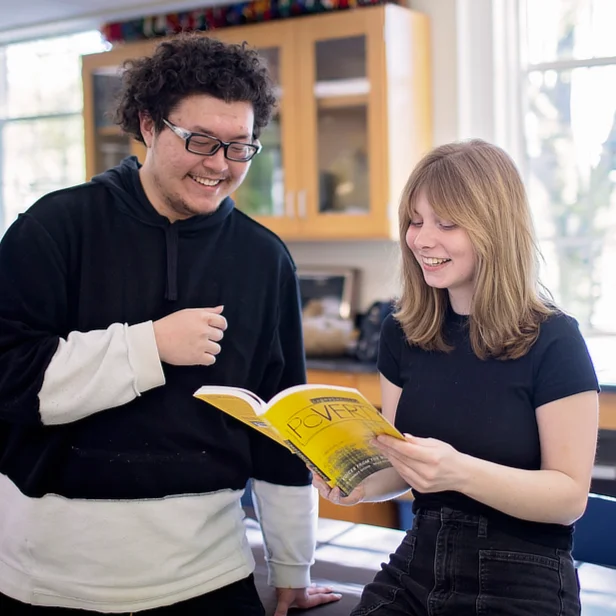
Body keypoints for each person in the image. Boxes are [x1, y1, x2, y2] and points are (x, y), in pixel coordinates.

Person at [0, 33, 341, 615]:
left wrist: (292, 567)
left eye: (240, 146)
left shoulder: (264, 259)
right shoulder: (54, 229)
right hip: (51, 580)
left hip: (210, 577)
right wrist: (150, 345)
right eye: (201, 141)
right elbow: (9, 384)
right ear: (148, 124)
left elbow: (280, 426)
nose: (219, 165)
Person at [315, 139, 599, 615]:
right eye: (416, 219)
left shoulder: (554, 339)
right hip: (418, 560)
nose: (423, 239)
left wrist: (459, 471)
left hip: (523, 573)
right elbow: (401, 464)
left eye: (447, 223)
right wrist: (358, 484)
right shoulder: (401, 333)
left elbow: (568, 498)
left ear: (494, 230)